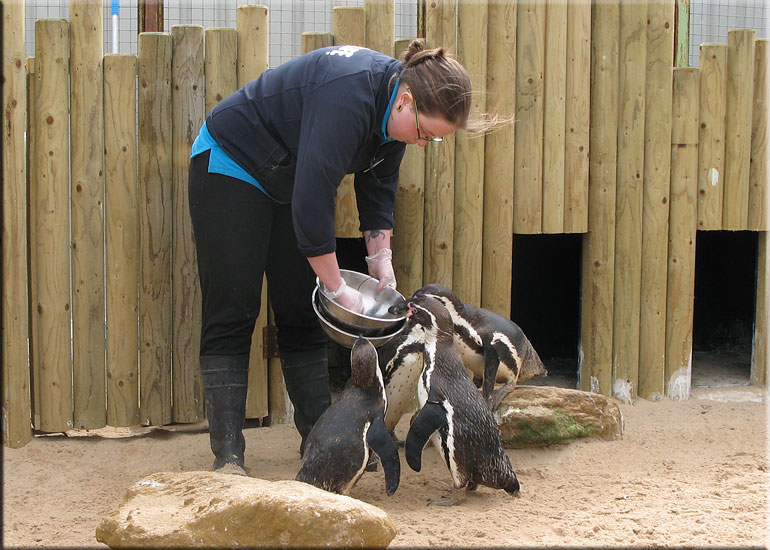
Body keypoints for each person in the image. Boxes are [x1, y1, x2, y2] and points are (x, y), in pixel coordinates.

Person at [188, 39, 478, 476]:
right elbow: (314, 195)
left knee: (300, 312)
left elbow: (378, 187)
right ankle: (228, 456)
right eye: (426, 133)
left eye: (433, 139)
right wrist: (338, 286)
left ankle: (323, 443)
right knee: (233, 308)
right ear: (406, 101)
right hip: (231, 162)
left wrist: (380, 257)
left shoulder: (395, 112)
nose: (424, 142)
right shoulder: (349, 93)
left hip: (284, 178)